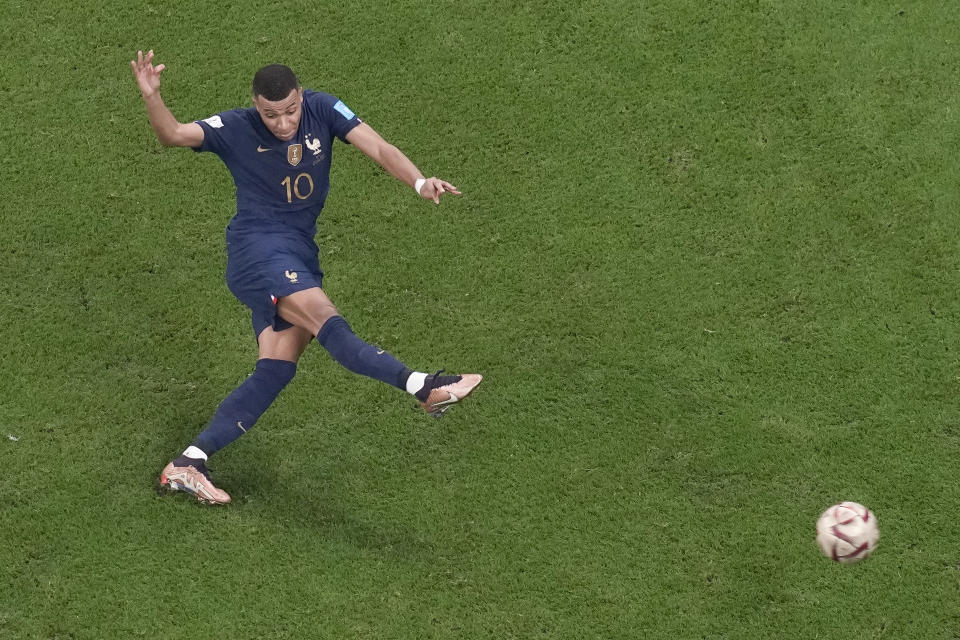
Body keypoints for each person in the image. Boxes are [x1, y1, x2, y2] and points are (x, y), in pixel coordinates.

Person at [130, 50, 482, 505]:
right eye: (271, 114)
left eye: (290, 110)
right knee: (325, 318)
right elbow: (173, 135)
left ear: (301, 96)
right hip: (258, 252)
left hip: (297, 251)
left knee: (276, 368)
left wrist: (418, 182)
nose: (282, 123)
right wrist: (153, 98)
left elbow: (377, 146)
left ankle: (187, 463)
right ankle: (423, 386)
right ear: (256, 105)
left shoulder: (323, 107)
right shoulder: (236, 127)